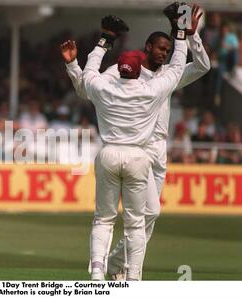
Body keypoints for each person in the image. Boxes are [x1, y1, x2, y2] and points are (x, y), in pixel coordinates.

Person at [61, 2, 210, 280]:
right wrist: (180, 36)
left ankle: (115, 262)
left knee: (150, 213)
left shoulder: (165, 77)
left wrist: (191, 36)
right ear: (147, 48)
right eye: (160, 49)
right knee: (139, 218)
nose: (165, 55)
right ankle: (129, 273)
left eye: (168, 50)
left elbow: (202, 65)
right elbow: (86, 90)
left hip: (155, 148)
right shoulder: (126, 73)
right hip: (136, 149)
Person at [81, 12, 188, 280]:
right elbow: (176, 68)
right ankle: (133, 278)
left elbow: (89, 72)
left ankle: (96, 274)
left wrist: (104, 40)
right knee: (135, 224)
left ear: (118, 70)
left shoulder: (103, 88)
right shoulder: (151, 91)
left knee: (103, 219)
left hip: (108, 154)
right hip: (138, 156)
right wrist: (180, 33)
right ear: (140, 70)